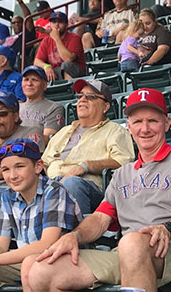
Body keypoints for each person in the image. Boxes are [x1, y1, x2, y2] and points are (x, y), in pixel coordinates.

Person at [25, 88, 171, 291]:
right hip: (125, 253)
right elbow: (100, 219)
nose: (145, 129)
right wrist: (75, 236)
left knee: (132, 243)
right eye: (137, 122)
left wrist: (168, 227)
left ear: (167, 124)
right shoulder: (122, 174)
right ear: (129, 128)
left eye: (153, 120)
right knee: (41, 270)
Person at [0, 138, 84, 291]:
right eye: (5, 169)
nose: (12, 176)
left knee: (29, 266)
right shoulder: (7, 196)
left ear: (38, 166)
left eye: (19, 167)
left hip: (60, 260)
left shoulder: (54, 191)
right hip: (25, 260)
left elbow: (47, 243)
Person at [42, 79, 135, 214]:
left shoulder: (115, 131)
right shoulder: (63, 131)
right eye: (80, 96)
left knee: (72, 183)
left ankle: (76, 234)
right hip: (52, 182)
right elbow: (44, 162)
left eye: (90, 97)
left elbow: (123, 162)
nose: (82, 100)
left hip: (87, 187)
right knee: (2, 193)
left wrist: (86, 166)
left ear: (105, 107)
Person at [33, 11, 86, 81]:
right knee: (36, 72)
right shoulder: (46, 40)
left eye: (60, 22)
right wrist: (46, 66)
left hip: (75, 71)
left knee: (66, 65)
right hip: (56, 71)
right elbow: (36, 61)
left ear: (66, 24)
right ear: (50, 24)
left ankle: (69, 90)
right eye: (54, 22)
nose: (57, 24)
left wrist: (57, 39)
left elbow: (69, 59)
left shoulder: (74, 38)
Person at [19, 66, 66, 138]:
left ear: (44, 85)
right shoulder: (16, 108)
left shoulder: (54, 108)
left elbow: (46, 140)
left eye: (34, 80)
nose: (29, 84)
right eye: (26, 79)